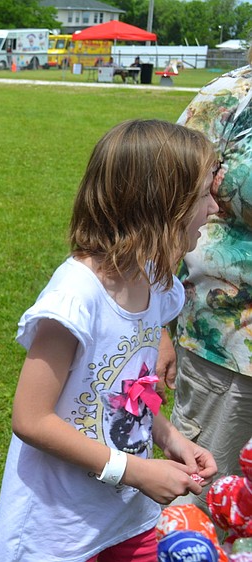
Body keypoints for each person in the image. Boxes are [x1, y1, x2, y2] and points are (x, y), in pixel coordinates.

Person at [0, 119, 219, 561]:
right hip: (58, 531)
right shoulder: (76, 297)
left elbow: (129, 391)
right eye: (203, 195)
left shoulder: (156, 284)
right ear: (162, 204)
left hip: (125, 518)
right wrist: (134, 470)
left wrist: (170, 438)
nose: (213, 208)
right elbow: (31, 419)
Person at [158, 48, 252, 516]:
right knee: (209, 501)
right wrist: (156, 326)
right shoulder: (232, 99)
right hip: (228, 346)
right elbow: (161, 206)